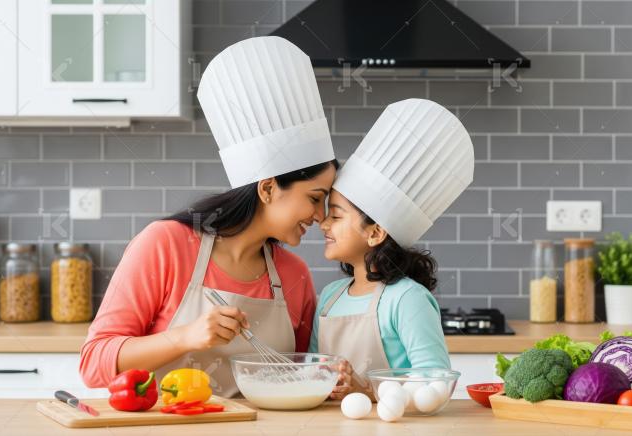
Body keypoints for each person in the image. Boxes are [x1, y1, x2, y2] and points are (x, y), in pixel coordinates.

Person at [80, 36, 338, 397]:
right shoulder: (165, 245)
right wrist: (184, 337)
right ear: (267, 189)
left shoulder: (295, 275)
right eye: (315, 198)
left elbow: (304, 375)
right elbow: (93, 364)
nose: (321, 217)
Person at [308, 98, 475, 399]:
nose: (323, 224)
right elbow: (312, 371)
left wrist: (367, 390)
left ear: (374, 232)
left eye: (335, 215)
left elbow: (435, 386)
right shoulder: (330, 297)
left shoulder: (407, 298)